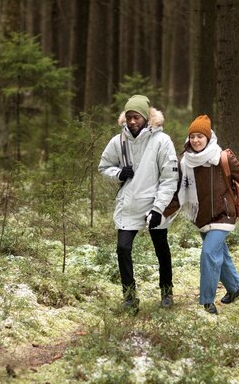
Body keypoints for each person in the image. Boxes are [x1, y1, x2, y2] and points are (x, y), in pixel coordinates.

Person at [164, 115, 239, 315]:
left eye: (200, 136)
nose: (196, 140)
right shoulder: (185, 162)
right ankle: (234, 288)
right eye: (193, 136)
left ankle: (207, 301)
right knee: (219, 254)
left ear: (208, 138)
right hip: (202, 216)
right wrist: (161, 214)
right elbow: (177, 193)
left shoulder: (222, 157)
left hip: (224, 215)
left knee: (208, 254)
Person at [98, 94, 179, 313]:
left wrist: (158, 208)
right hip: (129, 205)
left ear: (146, 117)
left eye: (137, 117)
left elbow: (169, 179)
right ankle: (129, 297)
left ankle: (167, 292)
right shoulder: (118, 141)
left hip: (155, 205)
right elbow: (103, 167)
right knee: (123, 248)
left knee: (161, 248)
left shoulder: (162, 141)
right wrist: (118, 173)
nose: (132, 121)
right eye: (129, 117)